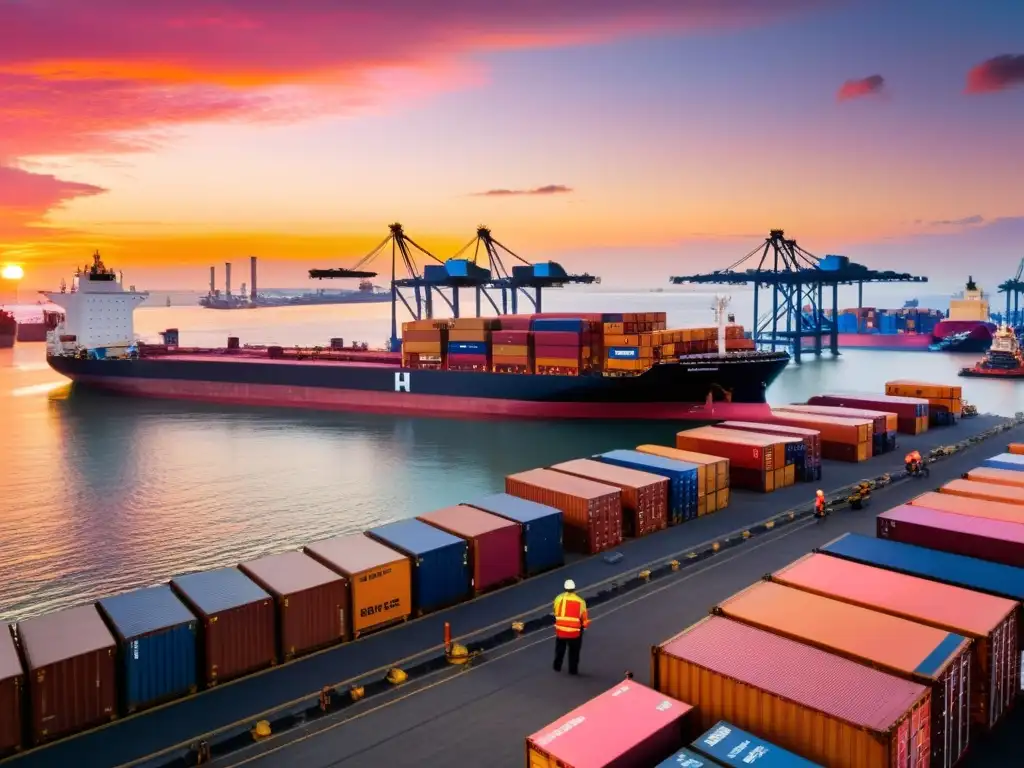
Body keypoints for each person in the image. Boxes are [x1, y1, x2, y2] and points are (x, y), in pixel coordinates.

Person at [553, 579, 589, 676]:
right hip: (574, 632)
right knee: (574, 651)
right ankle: (573, 670)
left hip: (561, 630)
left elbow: (556, 612)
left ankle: (557, 666)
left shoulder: (558, 598)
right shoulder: (580, 601)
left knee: (560, 648)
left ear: (565, 588)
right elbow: (584, 617)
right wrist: (584, 626)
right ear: (574, 589)